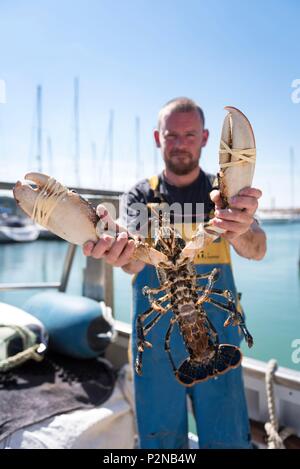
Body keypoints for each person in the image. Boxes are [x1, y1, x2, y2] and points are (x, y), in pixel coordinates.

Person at [83, 97, 266, 449]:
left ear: (205, 137)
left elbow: (258, 249)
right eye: (172, 135)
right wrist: (120, 251)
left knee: (227, 438)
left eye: (189, 134)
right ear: (157, 138)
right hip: (157, 348)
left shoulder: (224, 193)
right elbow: (135, 261)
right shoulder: (140, 195)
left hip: (219, 334)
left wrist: (241, 229)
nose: (181, 143)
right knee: (161, 443)